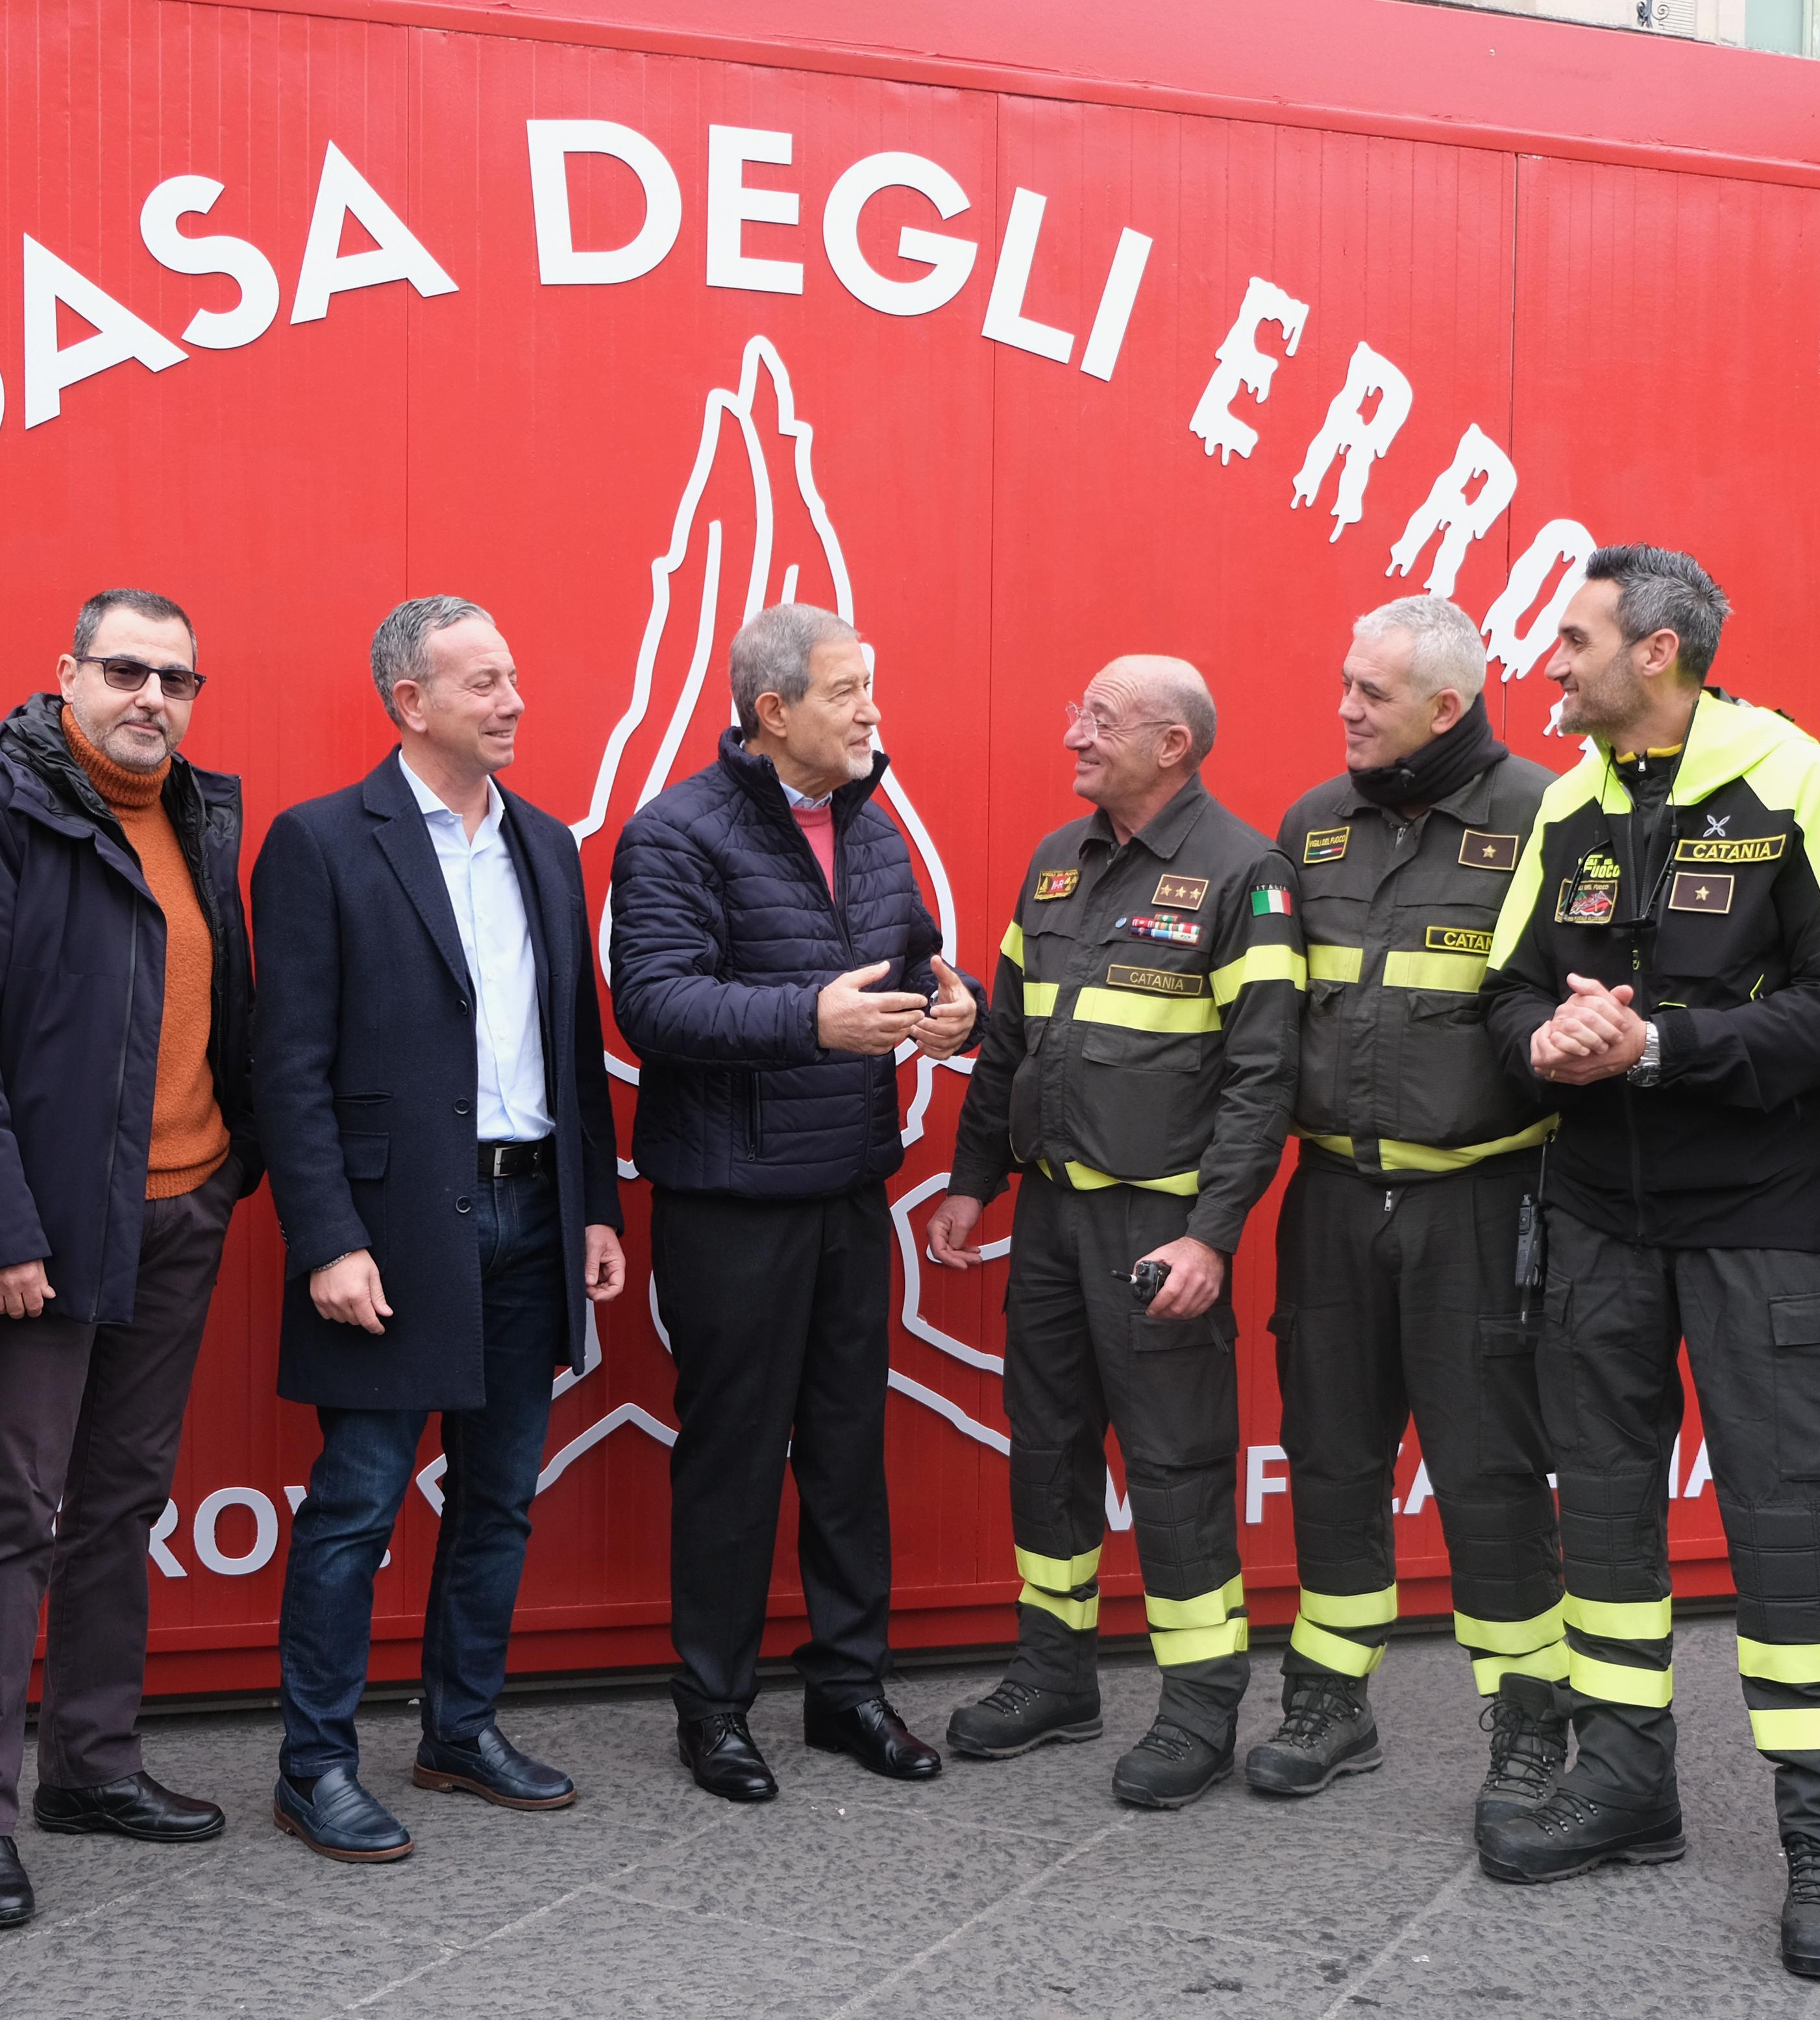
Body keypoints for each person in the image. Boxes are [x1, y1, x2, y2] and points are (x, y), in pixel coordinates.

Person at [1476, 545, 1820, 1981]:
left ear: (1656, 652)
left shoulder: (1803, 782)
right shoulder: (1568, 803)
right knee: (1599, 1515)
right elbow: (1508, 987)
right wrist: (1539, 1042)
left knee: (1786, 1529)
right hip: (1593, 1217)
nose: (1552, 664)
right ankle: (1625, 1784)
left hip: (1759, 1233)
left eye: (1575, 640)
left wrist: (1662, 1044)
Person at [0, 589, 259, 1930]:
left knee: (120, 1503)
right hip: (40, 1237)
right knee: (12, 1515)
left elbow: (221, 996)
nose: (152, 696)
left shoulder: (198, 812)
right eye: (125, 669)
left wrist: (230, 1168)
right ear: (67, 675)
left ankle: (92, 1766)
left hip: (178, 1209)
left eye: (177, 675)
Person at [251, 595, 626, 1862]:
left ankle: (460, 1731)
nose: (513, 701)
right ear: (409, 703)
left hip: (532, 1207)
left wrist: (591, 1210)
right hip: (394, 1226)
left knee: (499, 1496)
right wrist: (327, 1240)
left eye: (514, 676)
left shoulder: (550, 844)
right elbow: (286, 1067)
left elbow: (572, 1046)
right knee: (357, 1503)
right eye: (483, 683)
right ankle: (316, 1765)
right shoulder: (319, 843)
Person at [608, 603, 978, 1801]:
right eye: (847, 690)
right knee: (731, 1459)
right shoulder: (675, 833)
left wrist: (954, 999)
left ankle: (847, 1691)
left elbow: (912, 956)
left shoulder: (871, 827)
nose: (872, 710)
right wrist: (805, 1018)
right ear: (774, 713)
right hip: (731, 1201)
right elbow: (653, 1004)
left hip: (848, 1187)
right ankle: (713, 1710)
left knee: (846, 1448)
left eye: (873, 685)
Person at [928, 656, 1303, 1809]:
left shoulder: (1246, 873)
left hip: (1160, 1223)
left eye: (1098, 719)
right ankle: (1056, 1673)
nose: (1073, 734)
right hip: (1050, 1213)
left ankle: (1198, 1707)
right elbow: (1009, 1040)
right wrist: (970, 1180)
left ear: (1172, 745)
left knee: (1176, 1461)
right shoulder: (1056, 862)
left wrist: (1212, 1236)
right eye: (1078, 709)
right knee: (1046, 1445)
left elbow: (1263, 1077)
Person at [1262, 597, 1566, 1827]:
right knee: (1332, 1453)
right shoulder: (1312, 825)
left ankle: (1532, 1721)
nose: (1344, 708)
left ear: (1446, 707)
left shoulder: (1544, 815)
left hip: (1480, 1202)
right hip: (1332, 1193)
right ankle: (1330, 1701)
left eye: (1370, 694)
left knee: (1489, 1466)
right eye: (1343, 683)